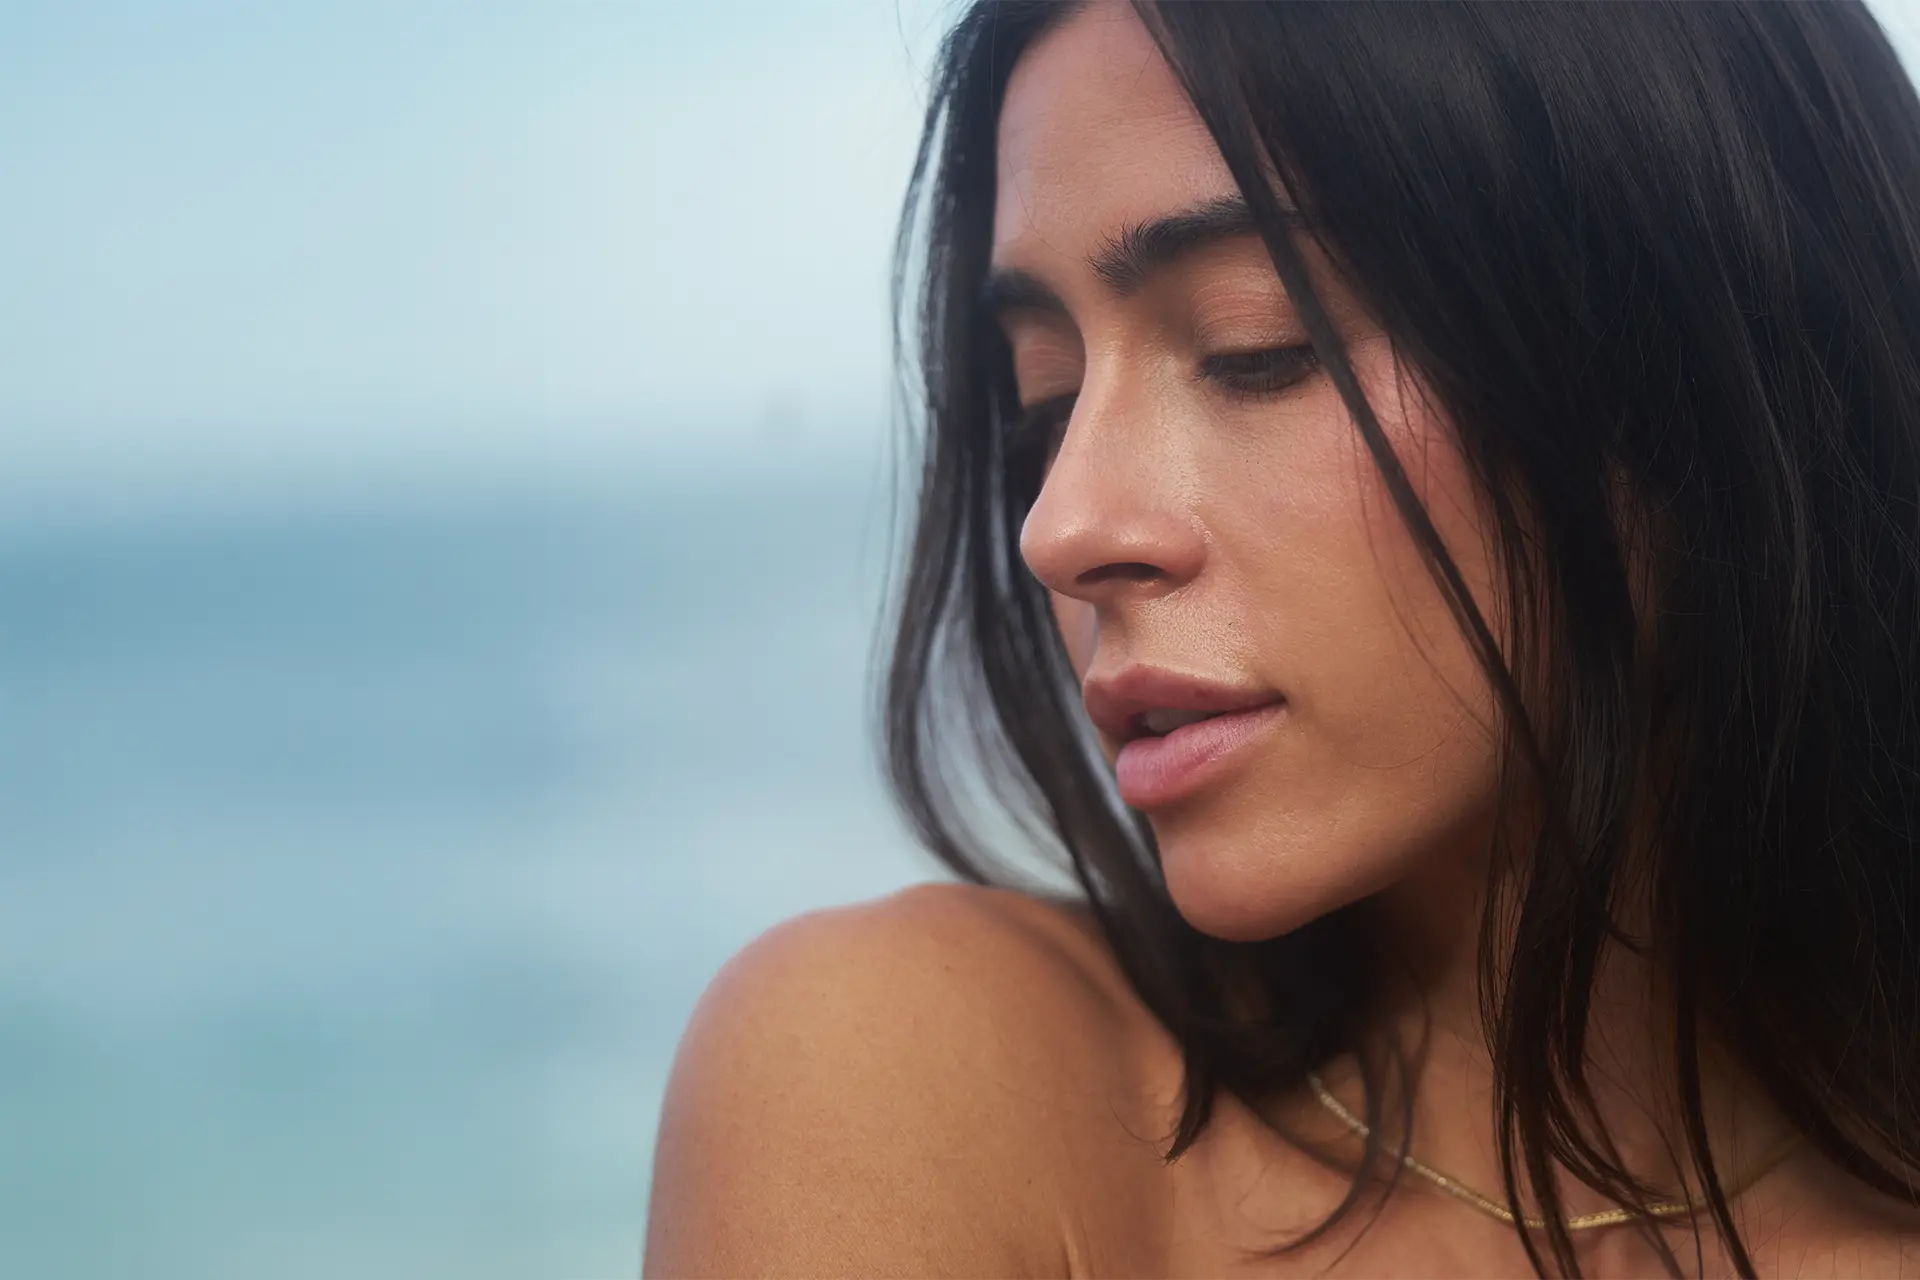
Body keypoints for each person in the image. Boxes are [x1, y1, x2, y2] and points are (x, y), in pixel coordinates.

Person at [643, 0, 1920, 1274]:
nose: (1061, 527)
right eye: (1045, 400)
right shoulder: (919, 1081)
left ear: (1698, 356)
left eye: (1256, 345)